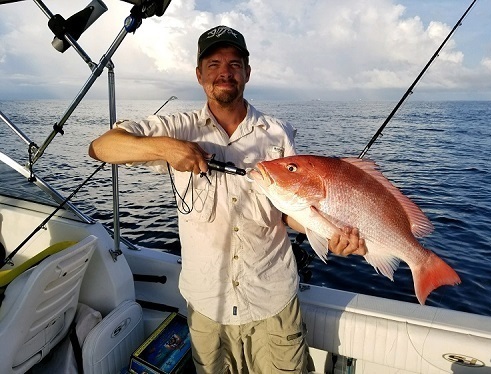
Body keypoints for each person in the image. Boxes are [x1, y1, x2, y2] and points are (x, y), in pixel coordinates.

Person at [89, 25, 366, 373]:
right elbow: (101, 147)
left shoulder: (278, 133)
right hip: (207, 304)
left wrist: (331, 233)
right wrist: (167, 147)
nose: (225, 72)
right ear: (199, 74)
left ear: (247, 73)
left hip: (273, 301)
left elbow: (290, 214)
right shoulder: (178, 127)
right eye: (214, 63)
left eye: (235, 64)